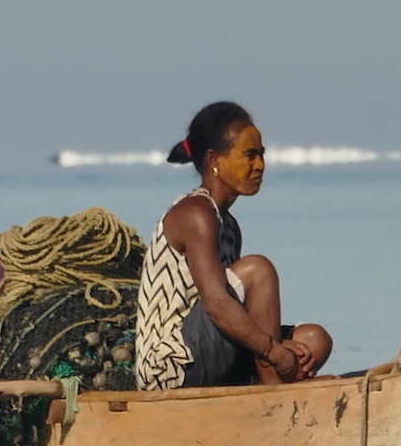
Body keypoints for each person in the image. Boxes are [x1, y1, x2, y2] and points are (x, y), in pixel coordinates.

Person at [135, 102, 332, 390]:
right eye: (250, 155)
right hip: (171, 366)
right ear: (214, 159)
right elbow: (217, 305)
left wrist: (283, 346)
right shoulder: (195, 213)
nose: (261, 165)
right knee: (258, 269)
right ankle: (272, 391)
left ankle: (268, 385)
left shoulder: (229, 226)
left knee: (314, 340)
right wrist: (275, 353)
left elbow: (237, 310)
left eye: (262, 155)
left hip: (212, 349)